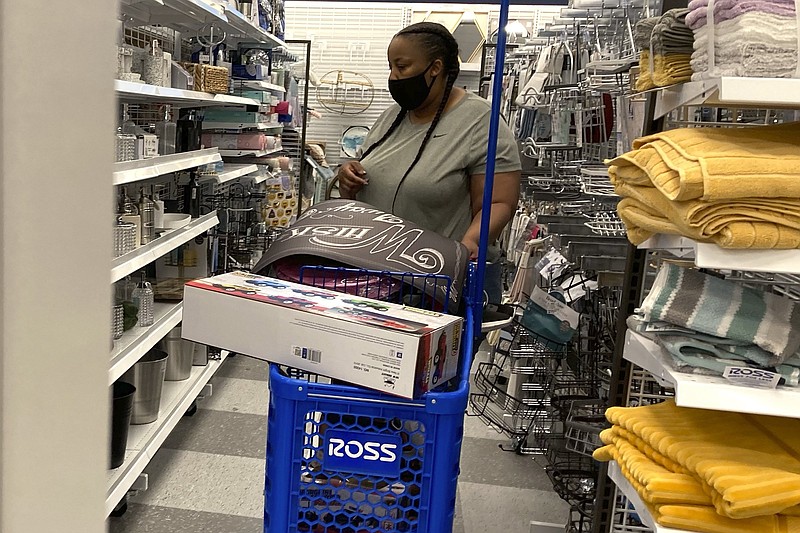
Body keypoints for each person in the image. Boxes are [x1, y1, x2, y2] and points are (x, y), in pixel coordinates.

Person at [336, 21, 521, 305]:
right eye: (391, 67)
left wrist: (465, 249)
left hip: (436, 287)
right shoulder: (391, 117)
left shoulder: (480, 121)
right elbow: (365, 168)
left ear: (435, 68)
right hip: (373, 278)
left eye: (402, 67)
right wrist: (349, 178)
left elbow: (499, 203)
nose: (394, 77)